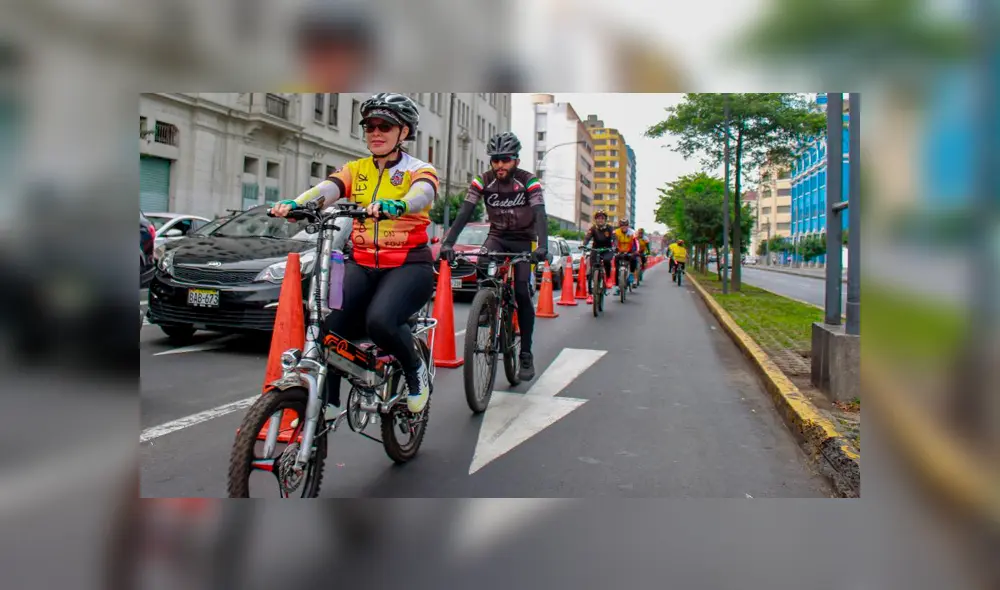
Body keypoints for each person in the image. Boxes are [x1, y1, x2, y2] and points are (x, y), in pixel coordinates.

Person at [269, 93, 436, 414]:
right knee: (327, 326)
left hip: (408, 265)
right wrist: (297, 204)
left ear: (404, 132)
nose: (376, 132)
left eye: (385, 126)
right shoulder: (356, 169)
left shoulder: (419, 169)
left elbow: (422, 194)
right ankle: (328, 403)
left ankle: (415, 370)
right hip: (362, 261)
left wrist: (399, 204)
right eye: (370, 126)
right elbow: (328, 189)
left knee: (380, 322)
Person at [439, 131, 548, 381]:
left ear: (516, 160)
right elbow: (465, 212)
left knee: (522, 292)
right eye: (495, 160)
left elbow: (540, 213)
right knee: (483, 261)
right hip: (497, 236)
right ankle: (487, 305)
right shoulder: (483, 180)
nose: (500, 165)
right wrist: (449, 243)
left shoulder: (529, 181)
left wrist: (542, 246)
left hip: (523, 240)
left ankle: (526, 353)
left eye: (505, 159)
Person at [581, 210, 615, 290]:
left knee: (606, 261)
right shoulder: (593, 229)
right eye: (598, 218)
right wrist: (584, 244)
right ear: (596, 219)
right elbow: (587, 237)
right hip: (595, 249)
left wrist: (615, 246)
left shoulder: (610, 228)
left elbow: (614, 238)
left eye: (602, 218)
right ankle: (593, 281)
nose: (600, 220)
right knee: (592, 264)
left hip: (607, 249)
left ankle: (608, 278)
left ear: (605, 220)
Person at [612, 218, 638, 294]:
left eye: (626, 225)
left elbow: (636, 243)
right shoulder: (615, 232)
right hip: (619, 252)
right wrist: (613, 250)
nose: (624, 227)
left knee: (634, 259)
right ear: (620, 226)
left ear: (628, 225)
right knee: (617, 268)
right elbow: (612, 242)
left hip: (629, 251)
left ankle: (631, 274)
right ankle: (617, 287)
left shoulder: (632, 233)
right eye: (622, 225)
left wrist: (635, 251)